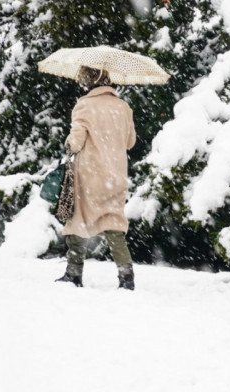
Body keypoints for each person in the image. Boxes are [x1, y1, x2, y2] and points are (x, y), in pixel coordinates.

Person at [55, 66, 136, 290]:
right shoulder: (123, 107)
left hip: (89, 176)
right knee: (114, 225)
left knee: (77, 222)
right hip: (116, 175)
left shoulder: (85, 105)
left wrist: (68, 142)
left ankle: (73, 273)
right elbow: (130, 142)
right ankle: (126, 275)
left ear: (89, 82)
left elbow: (76, 142)